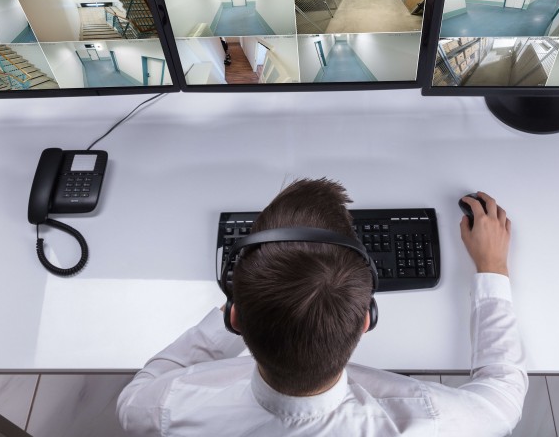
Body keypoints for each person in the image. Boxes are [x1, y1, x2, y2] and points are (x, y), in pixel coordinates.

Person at [117, 179, 527, 436]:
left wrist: (254, 297)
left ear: (234, 318)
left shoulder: (165, 409)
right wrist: (492, 267)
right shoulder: (423, 418)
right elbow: (504, 399)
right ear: (367, 319)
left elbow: (136, 396)